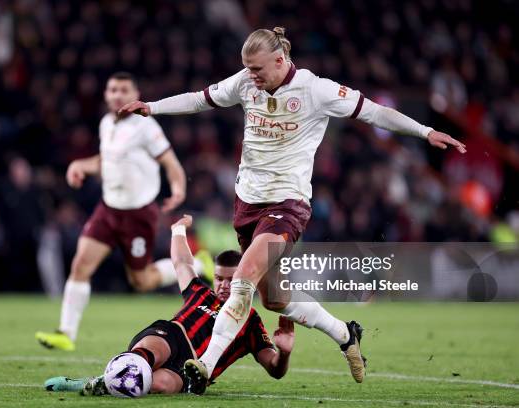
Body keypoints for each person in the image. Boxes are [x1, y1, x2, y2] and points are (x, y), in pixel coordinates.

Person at [120, 27, 467, 392]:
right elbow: (199, 99)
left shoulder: (316, 90)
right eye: (247, 69)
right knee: (275, 299)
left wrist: (426, 132)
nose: (251, 76)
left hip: (288, 204)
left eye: (257, 69)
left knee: (244, 276)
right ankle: (345, 333)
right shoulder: (245, 83)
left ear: (280, 60)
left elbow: (375, 112)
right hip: (247, 205)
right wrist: (152, 107)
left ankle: (204, 364)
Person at [36, 72, 209, 351]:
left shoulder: (146, 126)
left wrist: (178, 189)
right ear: (106, 94)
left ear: (134, 93)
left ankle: (198, 264)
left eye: (124, 90)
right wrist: (81, 164)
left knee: (141, 281)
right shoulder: (107, 123)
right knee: (80, 266)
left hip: (138, 216)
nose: (117, 95)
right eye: (113, 89)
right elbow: (106, 160)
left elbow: (171, 162)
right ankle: (66, 333)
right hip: (108, 210)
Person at [44, 214, 294, 395]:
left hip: (191, 370)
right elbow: (182, 264)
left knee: (160, 386)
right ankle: (94, 381)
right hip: (171, 336)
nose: (224, 285)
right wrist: (178, 230)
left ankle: (100, 383)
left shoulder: (250, 322)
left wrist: (284, 352)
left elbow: (275, 370)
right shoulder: (200, 293)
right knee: (152, 353)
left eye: (232, 279)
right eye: (219, 278)